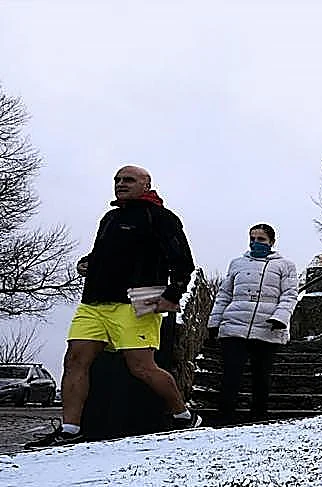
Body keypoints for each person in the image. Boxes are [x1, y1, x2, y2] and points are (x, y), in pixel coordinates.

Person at [27, 165, 200, 448]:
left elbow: (182, 261)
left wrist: (173, 294)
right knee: (74, 360)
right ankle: (70, 430)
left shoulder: (161, 217)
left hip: (135, 302)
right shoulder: (109, 218)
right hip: (93, 303)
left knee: (141, 368)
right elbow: (105, 252)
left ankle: (184, 416)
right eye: (117, 180)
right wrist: (89, 263)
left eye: (128, 180)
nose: (121, 184)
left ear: (146, 184)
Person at [207, 223, 298, 425]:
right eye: (252, 239)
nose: (256, 243)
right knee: (231, 373)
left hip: (267, 326)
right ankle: (224, 417)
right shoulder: (237, 263)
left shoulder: (285, 266)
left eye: (261, 239)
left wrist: (280, 318)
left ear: (271, 242)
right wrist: (214, 321)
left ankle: (258, 417)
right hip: (234, 325)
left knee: (261, 376)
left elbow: (289, 295)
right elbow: (224, 294)